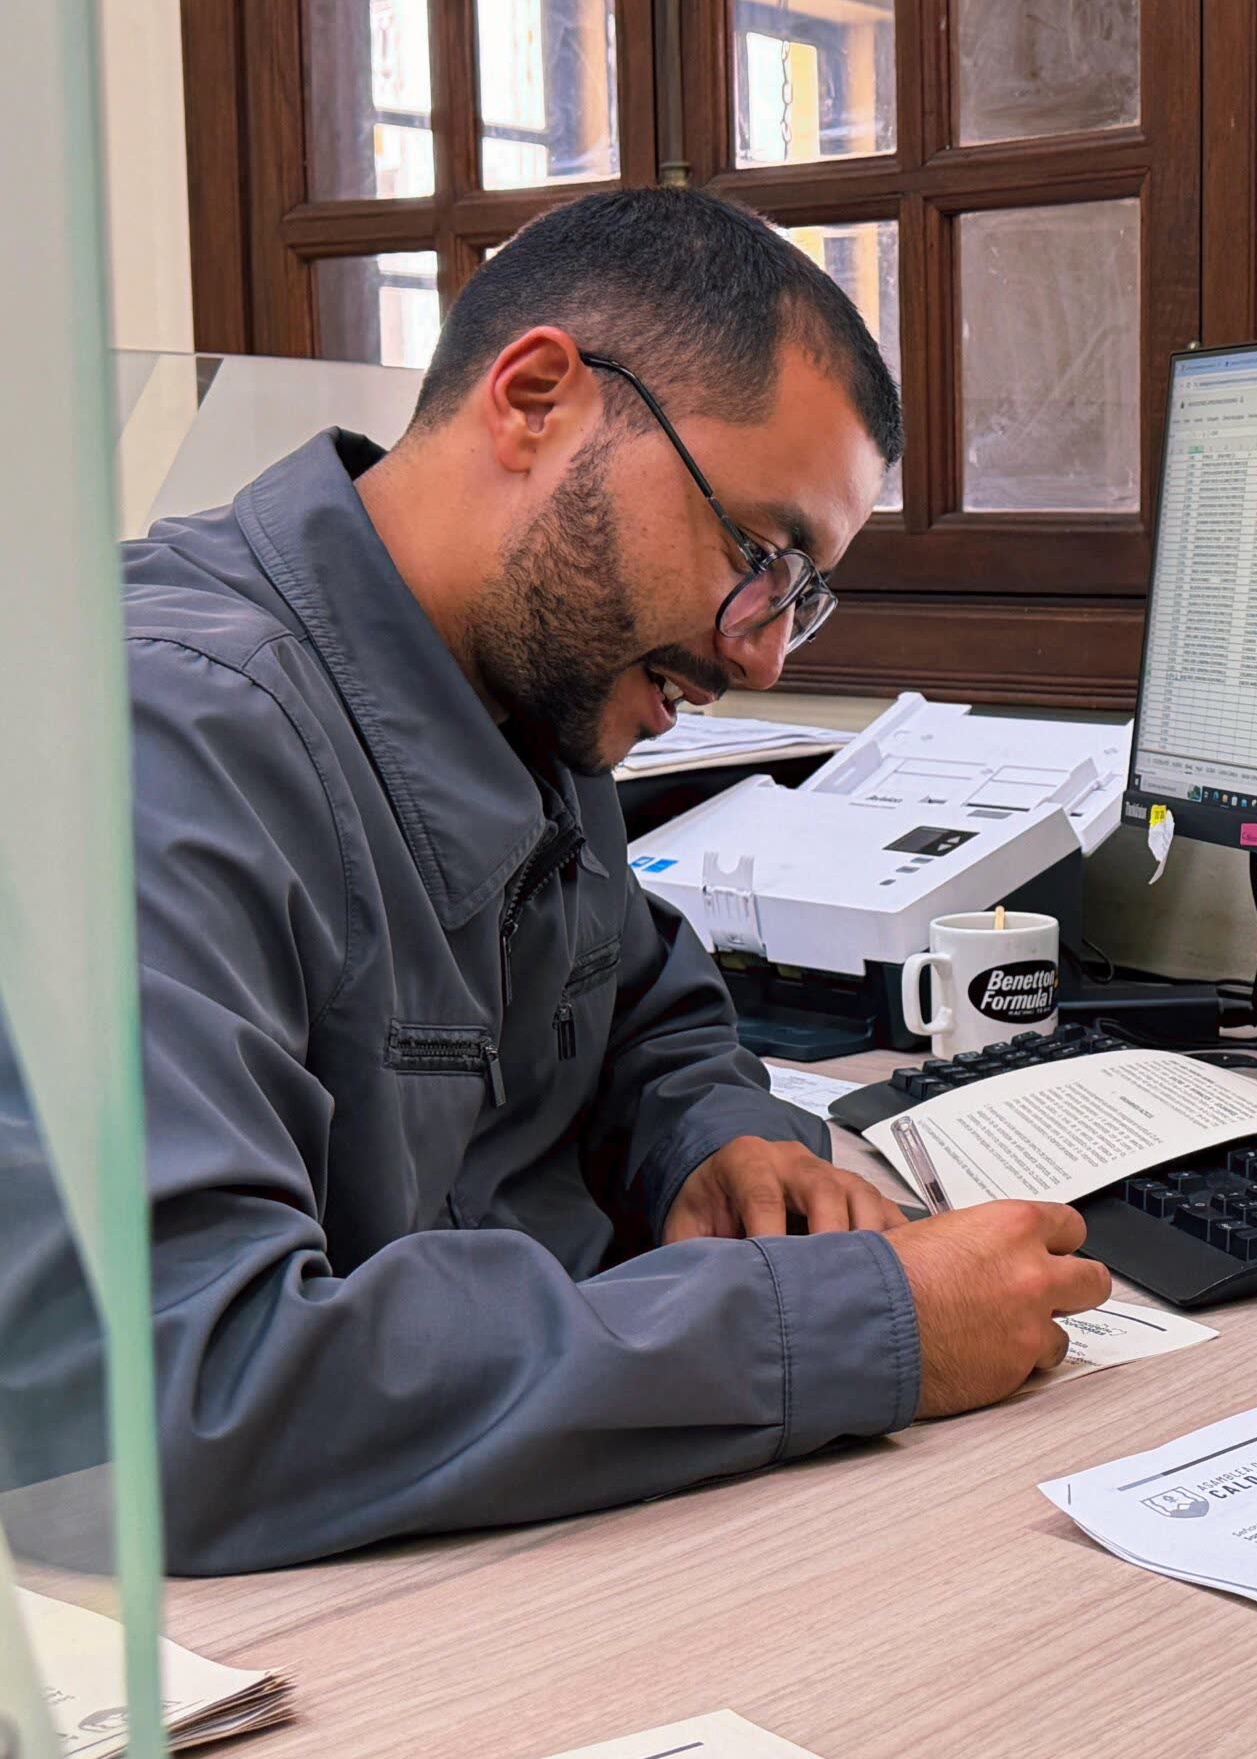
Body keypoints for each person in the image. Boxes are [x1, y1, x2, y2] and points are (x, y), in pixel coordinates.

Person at [0, 187, 1108, 1575]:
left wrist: (712, 1136)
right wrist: (855, 1327)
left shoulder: (524, 680)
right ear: (535, 401)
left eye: (801, 593)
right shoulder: (156, 736)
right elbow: (166, 1398)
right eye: (759, 557)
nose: (766, 656)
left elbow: (641, 998)